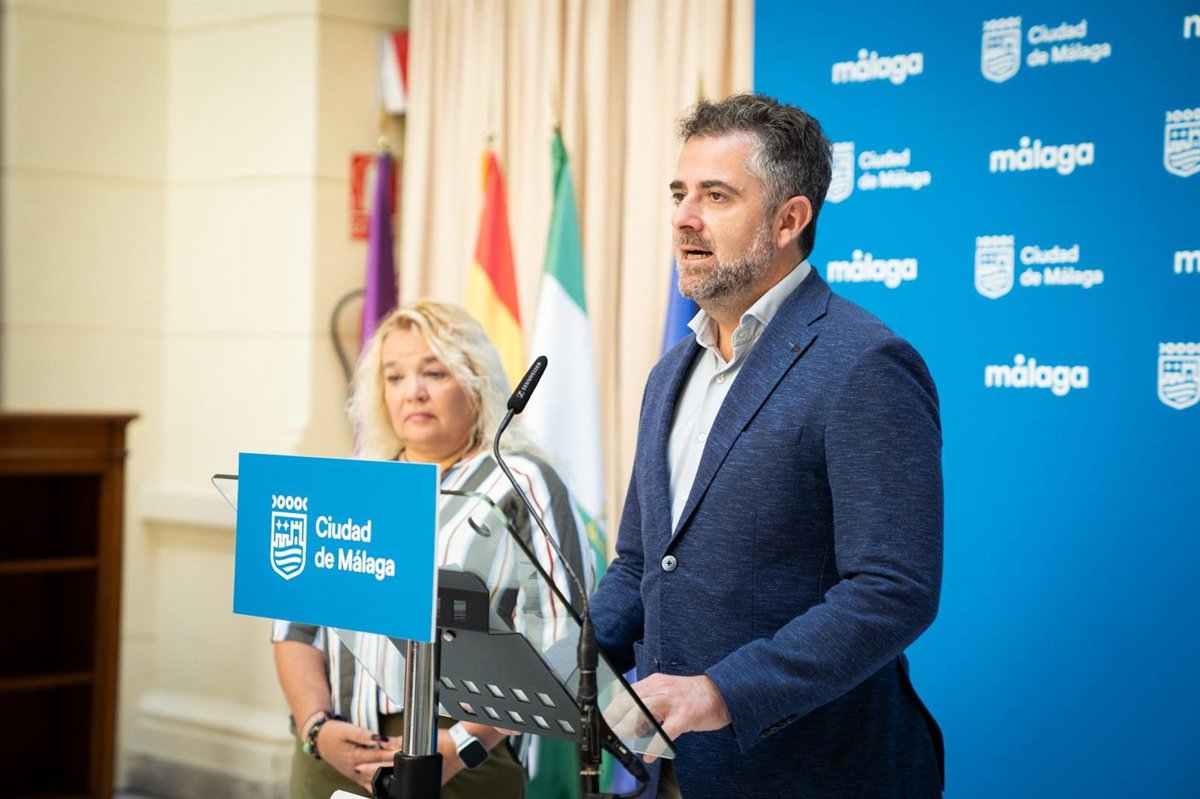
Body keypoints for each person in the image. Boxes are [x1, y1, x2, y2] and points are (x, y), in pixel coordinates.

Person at [589, 93, 944, 798]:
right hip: (674, 771)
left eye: (716, 196)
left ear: (789, 219)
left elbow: (892, 591)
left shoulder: (864, 363)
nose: (684, 218)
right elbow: (640, 565)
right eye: (679, 194)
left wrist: (721, 692)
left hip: (817, 774)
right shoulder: (671, 372)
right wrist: (551, 662)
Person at [273, 300, 595, 799]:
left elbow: (563, 635)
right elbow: (295, 627)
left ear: (475, 380)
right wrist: (316, 728)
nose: (413, 392)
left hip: (463, 757)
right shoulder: (354, 484)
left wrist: (461, 744)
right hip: (334, 749)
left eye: (434, 372)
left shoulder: (521, 481)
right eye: (394, 377)